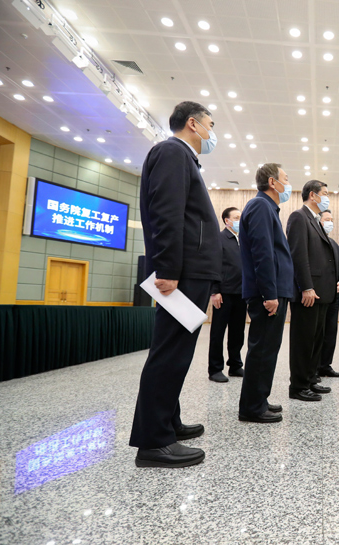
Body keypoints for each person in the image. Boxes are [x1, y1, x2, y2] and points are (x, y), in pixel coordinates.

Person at [130, 101, 221, 468]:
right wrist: (167, 268)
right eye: (211, 124)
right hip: (181, 273)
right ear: (193, 124)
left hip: (190, 271)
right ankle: (154, 441)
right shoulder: (172, 152)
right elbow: (165, 212)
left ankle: (168, 420)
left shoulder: (183, 158)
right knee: (169, 353)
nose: (213, 132)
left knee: (177, 353)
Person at [238, 163, 294, 422]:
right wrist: (269, 294)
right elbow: (263, 253)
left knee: (268, 349)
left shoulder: (268, 208)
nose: (288, 184)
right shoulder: (260, 206)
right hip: (268, 294)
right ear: (272, 182)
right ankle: (252, 408)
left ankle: (259, 398)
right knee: (262, 349)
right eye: (285, 179)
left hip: (273, 290)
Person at [286, 180, 339, 402]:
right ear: (312, 195)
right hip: (309, 292)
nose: (327, 197)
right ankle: (298, 386)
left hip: (322, 292)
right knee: (303, 341)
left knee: (316, 340)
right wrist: (306, 286)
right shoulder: (299, 217)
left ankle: (310, 379)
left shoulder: (316, 220)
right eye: (324, 193)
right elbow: (298, 255)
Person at [207, 207, 246, 382]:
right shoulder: (219, 238)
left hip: (241, 293)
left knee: (237, 332)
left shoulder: (243, 239)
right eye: (236, 217)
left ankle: (235, 365)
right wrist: (215, 291)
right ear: (227, 221)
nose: (240, 220)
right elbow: (213, 265)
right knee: (218, 333)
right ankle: (215, 369)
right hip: (223, 293)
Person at [318, 209, 339, 378]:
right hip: (319, 296)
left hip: (334, 297)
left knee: (330, 332)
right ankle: (314, 368)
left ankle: (325, 365)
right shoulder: (314, 242)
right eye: (327, 219)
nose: (330, 223)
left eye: (331, 220)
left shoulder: (334, 244)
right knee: (318, 333)